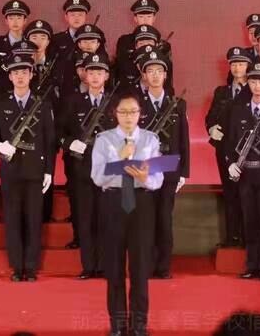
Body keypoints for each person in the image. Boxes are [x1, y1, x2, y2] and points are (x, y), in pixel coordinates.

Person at [91, 91, 164, 336]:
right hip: (113, 202)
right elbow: (97, 176)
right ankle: (118, 325)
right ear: (115, 114)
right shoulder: (104, 140)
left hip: (141, 203)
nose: (128, 116)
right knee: (114, 268)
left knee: (140, 268)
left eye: (133, 111)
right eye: (123, 112)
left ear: (140, 114)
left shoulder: (150, 139)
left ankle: (139, 325)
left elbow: (158, 178)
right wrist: (119, 160)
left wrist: (145, 178)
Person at [0, 54, 55, 282]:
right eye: (16, 73)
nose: (20, 77)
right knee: (12, 220)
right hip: (11, 171)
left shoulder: (42, 104)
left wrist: (49, 170)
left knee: (33, 220)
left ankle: (30, 267)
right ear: (10, 76)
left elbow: (49, 140)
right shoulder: (1, 103)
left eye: (24, 72)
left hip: (35, 171)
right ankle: (16, 267)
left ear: (31, 75)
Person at [59, 52, 116, 279]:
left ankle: (105, 266)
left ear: (106, 75)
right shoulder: (73, 101)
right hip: (81, 169)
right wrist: (69, 143)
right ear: (84, 74)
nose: (94, 76)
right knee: (85, 218)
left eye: (99, 72)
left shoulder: (115, 102)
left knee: (106, 219)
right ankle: (88, 266)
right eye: (91, 71)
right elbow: (58, 132)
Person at [137, 48, 189, 279]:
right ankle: (146, 266)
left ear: (166, 75)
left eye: (159, 71)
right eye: (151, 71)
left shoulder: (177, 104)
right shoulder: (136, 104)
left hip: (169, 167)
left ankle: (164, 267)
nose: (155, 75)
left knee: (164, 220)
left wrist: (184, 172)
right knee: (146, 221)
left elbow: (184, 139)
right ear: (144, 76)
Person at [225, 63, 260, 281]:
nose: (257, 85)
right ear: (248, 83)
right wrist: (231, 162)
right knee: (249, 221)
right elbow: (230, 140)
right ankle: (251, 265)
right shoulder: (238, 109)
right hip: (245, 174)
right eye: (253, 81)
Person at [205, 47, 251, 247]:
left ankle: (248, 237)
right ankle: (232, 237)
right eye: (233, 64)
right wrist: (211, 127)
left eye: (241, 63)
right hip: (224, 148)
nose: (237, 67)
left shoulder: (255, 89)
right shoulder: (221, 92)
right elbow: (211, 116)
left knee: (247, 193)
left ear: (248, 66)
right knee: (230, 192)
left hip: (248, 149)